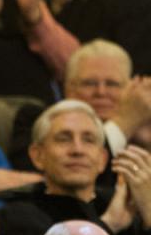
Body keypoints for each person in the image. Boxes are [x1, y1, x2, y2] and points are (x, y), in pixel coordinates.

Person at [0, 100, 151, 235]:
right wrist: (107, 224)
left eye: (88, 140)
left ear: (102, 159)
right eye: (64, 139)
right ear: (37, 155)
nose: (77, 150)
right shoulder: (17, 215)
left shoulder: (123, 205)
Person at [10, 40, 151, 186]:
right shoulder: (36, 119)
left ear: (130, 90)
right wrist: (123, 124)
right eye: (89, 83)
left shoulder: (140, 133)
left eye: (112, 84)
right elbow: (44, 184)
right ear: (68, 88)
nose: (101, 92)